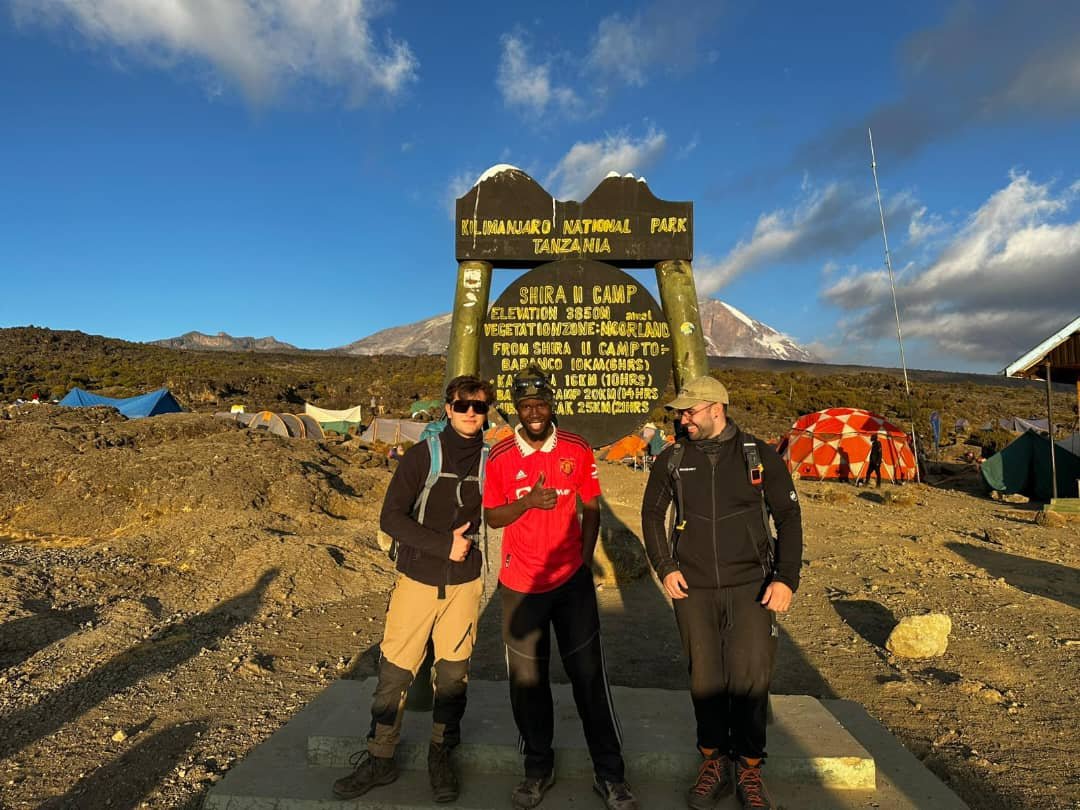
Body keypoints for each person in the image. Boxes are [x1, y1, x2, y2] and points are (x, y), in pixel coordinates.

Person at [640, 375, 803, 810]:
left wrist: (786, 578)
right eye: (679, 412)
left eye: (689, 411)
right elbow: (651, 515)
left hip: (752, 585)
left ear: (717, 408)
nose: (682, 418)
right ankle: (713, 761)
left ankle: (749, 768)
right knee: (705, 678)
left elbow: (788, 516)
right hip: (692, 588)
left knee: (751, 678)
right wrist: (665, 567)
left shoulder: (757, 453)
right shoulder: (673, 457)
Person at [332, 375, 493, 804]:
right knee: (395, 673)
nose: (472, 413)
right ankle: (381, 756)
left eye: (480, 406)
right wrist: (445, 545)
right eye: (463, 406)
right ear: (448, 407)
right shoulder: (423, 456)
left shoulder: (491, 460)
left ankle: (441, 755)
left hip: (465, 584)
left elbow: (500, 511)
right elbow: (391, 518)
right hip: (418, 579)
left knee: (455, 675)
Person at [484, 366, 638, 810]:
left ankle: (610, 775)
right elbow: (493, 516)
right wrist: (527, 502)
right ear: (517, 408)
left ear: (553, 404)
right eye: (526, 405)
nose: (534, 412)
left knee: (589, 678)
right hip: (521, 584)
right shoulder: (499, 456)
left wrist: (583, 560)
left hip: (570, 583)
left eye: (541, 403)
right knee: (528, 682)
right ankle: (537, 770)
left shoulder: (576, 448)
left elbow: (592, 507)